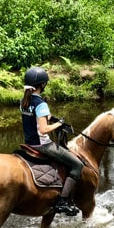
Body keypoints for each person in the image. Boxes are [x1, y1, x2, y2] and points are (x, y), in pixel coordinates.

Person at [20, 66, 83, 216]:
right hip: (42, 144)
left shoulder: (24, 100)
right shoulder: (41, 103)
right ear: (42, 85)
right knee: (77, 165)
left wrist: (48, 117)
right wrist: (59, 124)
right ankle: (62, 202)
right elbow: (43, 130)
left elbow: (32, 118)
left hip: (28, 142)